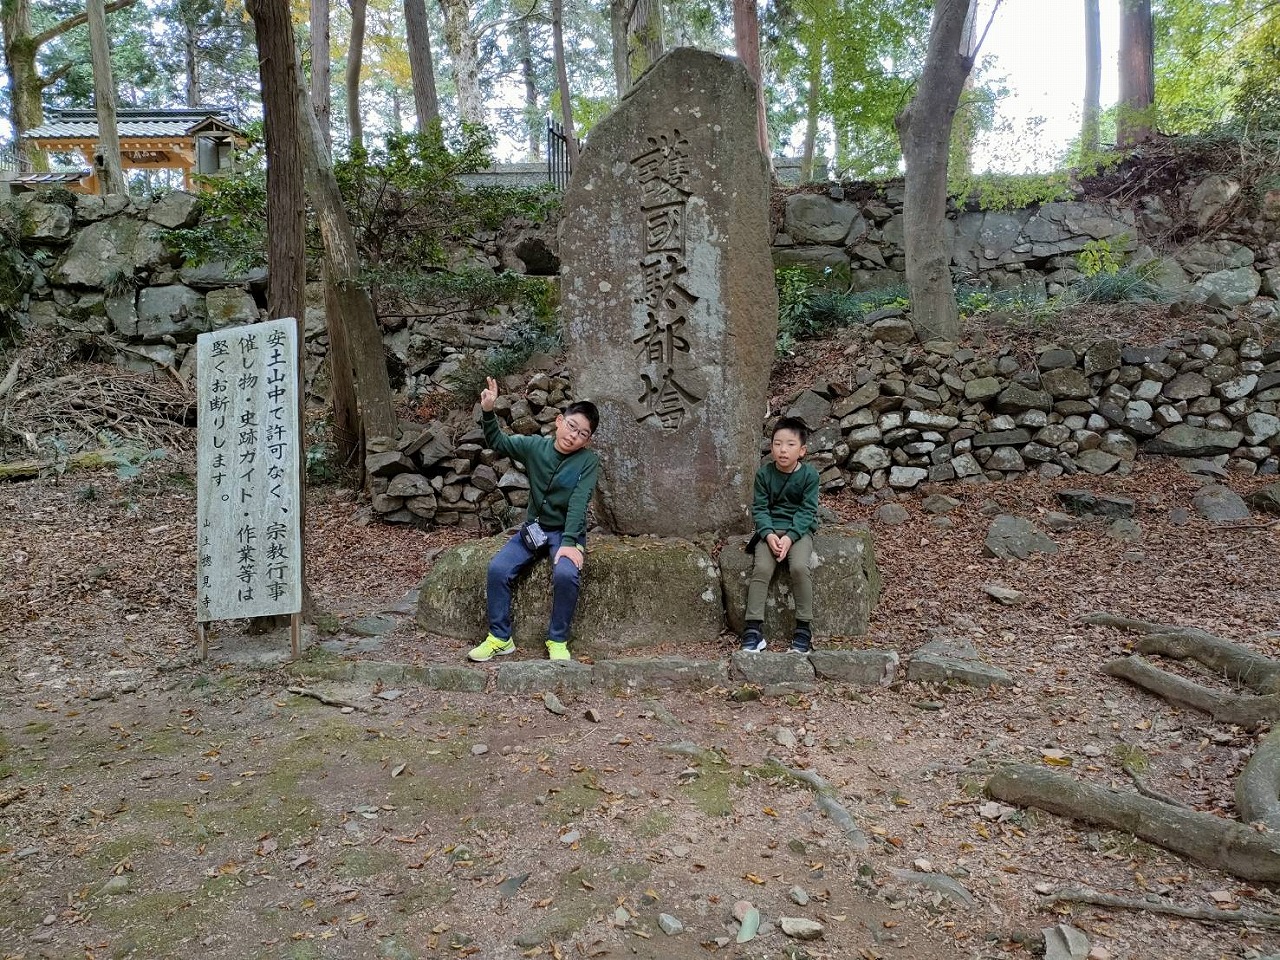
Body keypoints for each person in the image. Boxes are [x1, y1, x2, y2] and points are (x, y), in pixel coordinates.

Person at [467, 376, 600, 663]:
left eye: (583, 434)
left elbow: (579, 502)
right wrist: (488, 411)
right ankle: (500, 638)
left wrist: (569, 543)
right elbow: (498, 441)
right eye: (572, 426)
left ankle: (558, 639)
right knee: (498, 568)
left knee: (566, 574)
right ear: (559, 421)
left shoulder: (588, 462)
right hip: (535, 529)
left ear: (588, 440)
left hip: (567, 532)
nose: (574, 435)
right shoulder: (534, 447)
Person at [740, 416, 820, 653]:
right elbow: (761, 508)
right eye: (777, 443)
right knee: (762, 569)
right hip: (770, 531)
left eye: (790, 444)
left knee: (798, 568)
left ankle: (804, 627)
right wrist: (768, 534)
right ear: (771, 446)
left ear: (802, 450)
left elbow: (807, 511)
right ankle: (753, 628)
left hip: (799, 531)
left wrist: (790, 536)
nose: (783, 450)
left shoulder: (809, 476)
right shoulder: (764, 475)